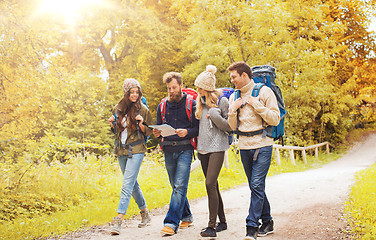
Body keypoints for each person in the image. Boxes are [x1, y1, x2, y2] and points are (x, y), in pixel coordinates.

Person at [227, 62, 280, 240]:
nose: (232, 80)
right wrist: (232, 111)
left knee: (256, 185)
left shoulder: (264, 92)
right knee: (254, 186)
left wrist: (258, 106)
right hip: (244, 146)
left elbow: (275, 119)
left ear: (244, 75)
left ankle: (251, 226)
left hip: (263, 144)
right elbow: (232, 127)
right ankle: (268, 221)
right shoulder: (234, 96)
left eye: (234, 76)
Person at [153, 72, 199, 236]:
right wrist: (157, 133)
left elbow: (197, 129)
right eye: (169, 88)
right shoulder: (162, 105)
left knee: (180, 185)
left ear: (181, 86)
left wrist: (187, 132)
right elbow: (158, 128)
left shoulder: (191, 103)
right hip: (168, 149)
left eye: (174, 87)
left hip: (185, 149)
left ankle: (171, 223)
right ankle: (186, 216)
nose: (171, 91)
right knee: (175, 186)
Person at [108, 78, 153, 235]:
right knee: (132, 184)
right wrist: (113, 124)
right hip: (121, 150)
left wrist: (141, 123)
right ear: (126, 93)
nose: (134, 95)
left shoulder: (143, 109)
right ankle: (145, 212)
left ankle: (118, 220)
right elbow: (118, 133)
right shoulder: (118, 108)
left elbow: (150, 131)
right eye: (131, 92)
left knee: (127, 184)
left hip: (137, 150)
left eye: (137, 92)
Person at [193, 65, 232, 237]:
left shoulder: (222, 101)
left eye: (200, 87)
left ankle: (211, 227)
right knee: (214, 185)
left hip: (218, 147)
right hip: (203, 149)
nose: (197, 90)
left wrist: (215, 116)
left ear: (208, 88)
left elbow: (229, 127)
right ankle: (222, 221)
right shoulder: (199, 102)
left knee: (209, 184)